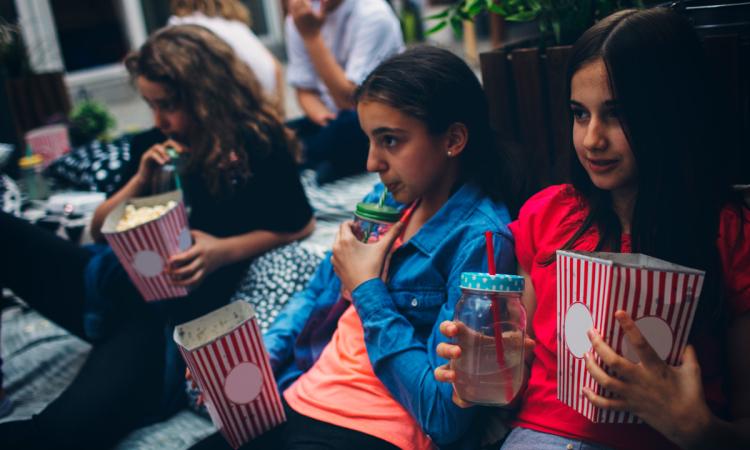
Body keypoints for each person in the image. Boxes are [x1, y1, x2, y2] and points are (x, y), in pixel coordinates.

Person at [434, 7, 750, 450]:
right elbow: (515, 384)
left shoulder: (727, 232)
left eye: (617, 114)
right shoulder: (548, 216)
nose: (591, 139)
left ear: (670, 113)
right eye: (580, 114)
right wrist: (480, 375)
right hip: (539, 437)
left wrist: (695, 428)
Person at [0, 25, 314, 449]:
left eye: (168, 105)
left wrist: (223, 252)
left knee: (58, 434)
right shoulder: (154, 146)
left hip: (159, 322)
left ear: (208, 95)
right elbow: (98, 230)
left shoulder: (257, 144)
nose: (159, 119)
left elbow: (301, 224)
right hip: (104, 285)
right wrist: (141, 180)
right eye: (150, 104)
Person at [190, 45, 515, 450]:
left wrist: (366, 289)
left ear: (453, 138)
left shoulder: (480, 241)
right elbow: (314, 294)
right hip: (300, 398)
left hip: (372, 429)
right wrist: (253, 362)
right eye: (370, 141)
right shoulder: (385, 204)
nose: (371, 163)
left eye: (390, 141)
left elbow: (444, 416)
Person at [285, 0, 403, 183]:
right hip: (330, 120)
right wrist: (324, 119)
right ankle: (317, 157)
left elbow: (350, 100)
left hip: (371, 116)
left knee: (348, 128)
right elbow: (304, 89)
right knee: (277, 135)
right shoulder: (301, 16)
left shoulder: (374, 14)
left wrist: (312, 37)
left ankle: (312, 157)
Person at [168, 0, 286, 114]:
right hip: (266, 112)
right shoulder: (236, 26)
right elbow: (276, 69)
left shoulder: (179, 27)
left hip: (235, 116)